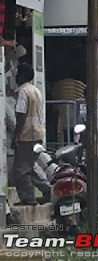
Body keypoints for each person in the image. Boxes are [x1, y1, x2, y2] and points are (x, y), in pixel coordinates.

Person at [11, 63, 50, 206]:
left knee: (20, 169)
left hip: (27, 134)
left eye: (18, 74)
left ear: (23, 76)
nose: (16, 76)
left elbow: (21, 115)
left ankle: (28, 198)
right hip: (38, 133)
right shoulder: (35, 91)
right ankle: (47, 190)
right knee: (29, 167)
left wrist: (16, 136)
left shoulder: (22, 92)